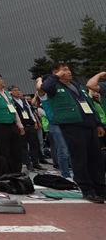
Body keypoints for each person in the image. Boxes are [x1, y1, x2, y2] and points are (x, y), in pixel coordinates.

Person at [41, 63, 105, 203]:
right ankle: (88, 190)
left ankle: (101, 189)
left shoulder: (77, 86)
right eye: (64, 70)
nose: (68, 72)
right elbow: (44, 87)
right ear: (56, 73)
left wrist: (98, 123)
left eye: (69, 69)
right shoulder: (54, 87)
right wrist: (56, 76)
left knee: (96, 158)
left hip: (89, 124)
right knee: (80, 158)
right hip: (72, 125)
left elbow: (89, 104)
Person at [9, 85, 44, 171]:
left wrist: (35, 121)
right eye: (14, 90)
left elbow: (30, 111)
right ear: (10, 92)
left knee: (33, 144)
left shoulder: (24, 101)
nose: (17, 92)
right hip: (21, 125)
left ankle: (36, 162)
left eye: (18, 90)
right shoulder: (11, 101)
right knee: (23, 145)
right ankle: (27, 163)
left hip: (30, 124)